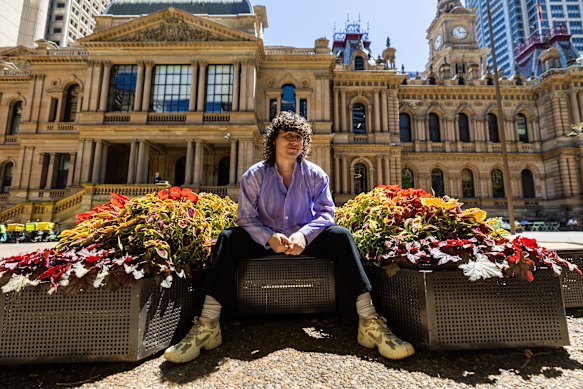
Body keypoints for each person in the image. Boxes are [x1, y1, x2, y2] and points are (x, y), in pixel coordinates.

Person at [163, 111, 415, 364]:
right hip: (265, 241)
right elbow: (246, 217)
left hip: (302, 240)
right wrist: (269, 237)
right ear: (274, 140)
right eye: (288, 136)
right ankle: (207, 325)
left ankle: (369, 322)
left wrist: (304, 236)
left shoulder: (316, 175)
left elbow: (327, 214)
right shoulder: (255, 175)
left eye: (300, 137)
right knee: (228, 239)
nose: (294, 141)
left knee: (341, 237)